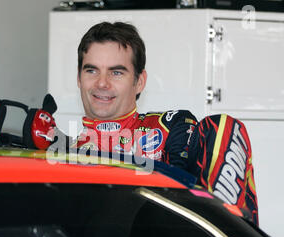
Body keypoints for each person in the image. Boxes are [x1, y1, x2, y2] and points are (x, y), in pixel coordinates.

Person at [49, 21, 258, 225]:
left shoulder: (168, 128)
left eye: (116, 72)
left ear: (139, 82)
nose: (102, 83)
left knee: (223, 127)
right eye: (91, 71)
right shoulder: (60, 154)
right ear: (78, 78)